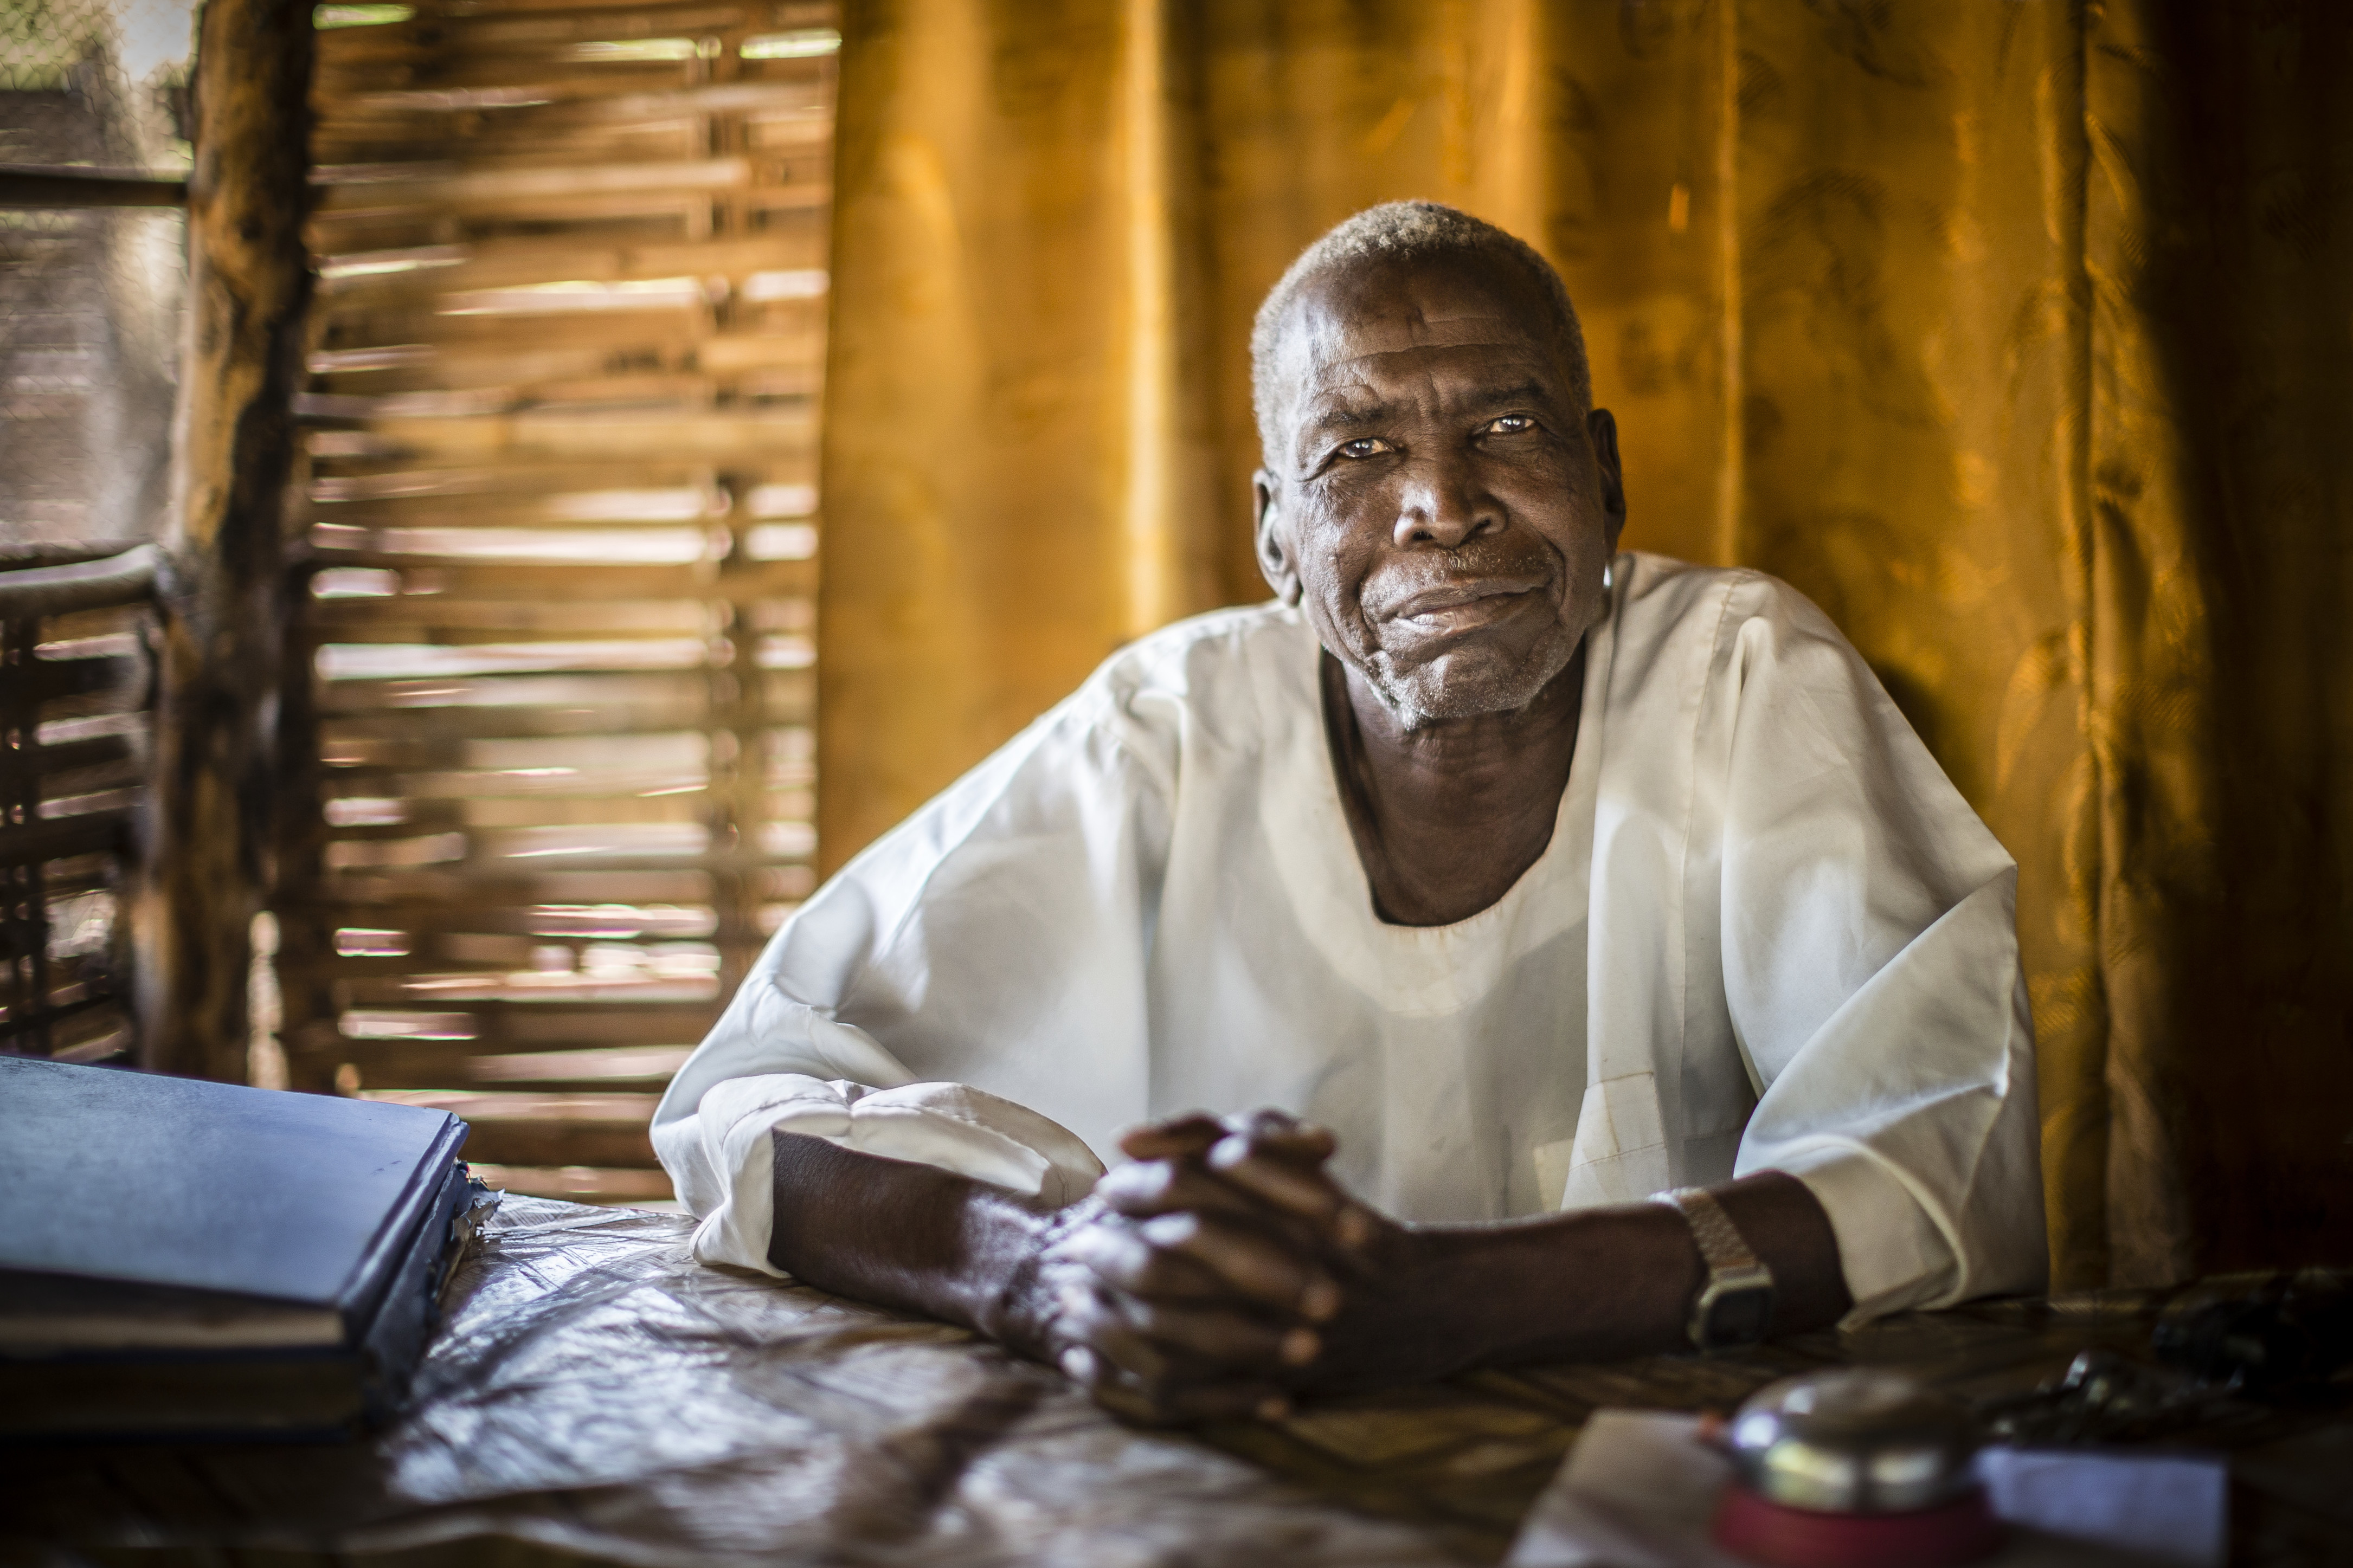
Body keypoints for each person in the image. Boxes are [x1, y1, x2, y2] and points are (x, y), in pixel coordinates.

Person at [653, 202, 2046, 1422]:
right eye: (1357, 454)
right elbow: (744, 1103)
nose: (1441, 503)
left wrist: (1445, 1297)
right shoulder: (1163, 734)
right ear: (1274, 540)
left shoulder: (1740, 673)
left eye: (1506, 427)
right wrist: (1046, 1268)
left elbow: (1934, 1161)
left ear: (1604, 479)